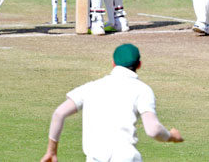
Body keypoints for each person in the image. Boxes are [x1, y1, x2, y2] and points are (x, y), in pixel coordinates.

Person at [40, 43, 184, 162]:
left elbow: (59, 113)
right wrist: (171, 136)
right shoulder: (142, 90)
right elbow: (153, 130)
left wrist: (52, 151)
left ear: (113, 63)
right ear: (139, 65)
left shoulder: (91, 87)